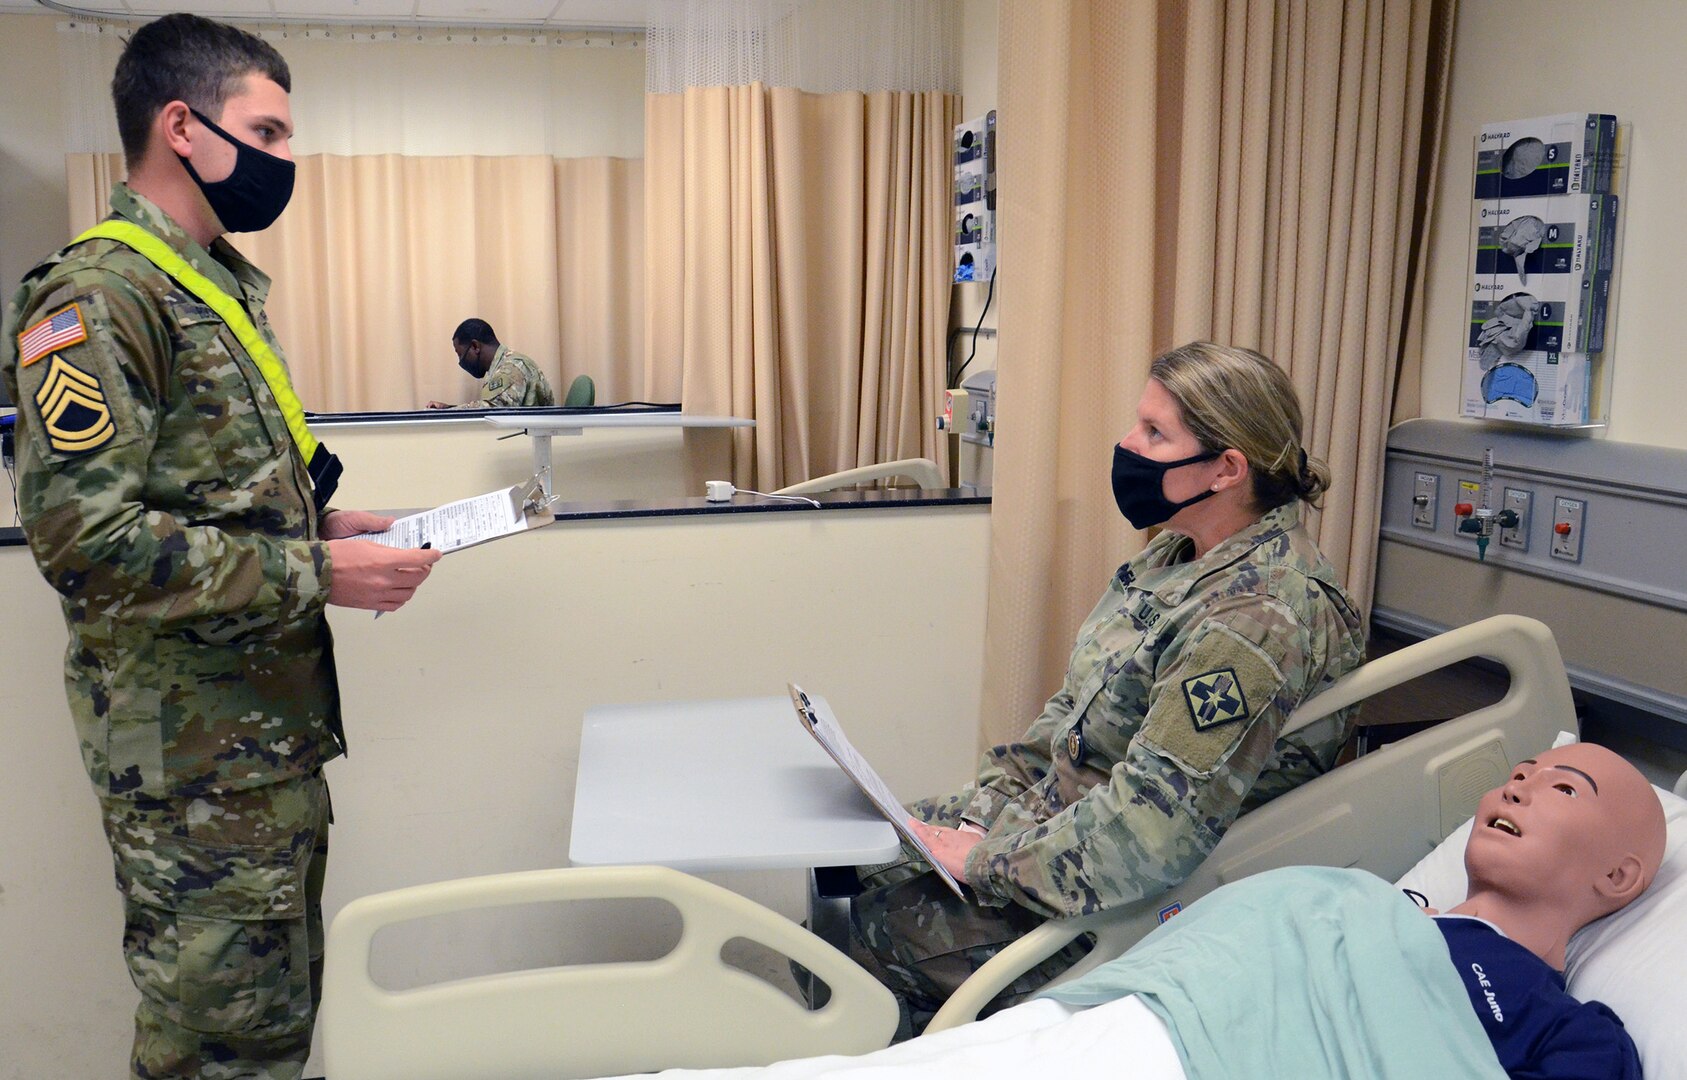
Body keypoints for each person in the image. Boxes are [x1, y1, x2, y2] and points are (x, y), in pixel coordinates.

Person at [1, 14, 441, 1079]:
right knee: (214, 1046)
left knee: (270, 1028)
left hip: (259, 743)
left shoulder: (209, 282)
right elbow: (85, 542)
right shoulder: (96, 299)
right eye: (270, 130)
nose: (287, 159)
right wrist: (317, 572)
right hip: (190, 771)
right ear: (182, 127)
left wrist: (322, 525)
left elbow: (202, 491)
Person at [842, 342, 1367, 1034]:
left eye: (1154, 433)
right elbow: (1070, 715)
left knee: (861, 940)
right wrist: (987, 811)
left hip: (1141, 897)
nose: (1126, 444)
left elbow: (1151, 832)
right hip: (1063, 825)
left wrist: (988, 859)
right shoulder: (1177, 554)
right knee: (857, 851)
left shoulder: (1255, 618)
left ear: (1227, 469)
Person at [426, 317, 555, 408]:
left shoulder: (511, 369)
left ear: (475, 346)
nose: (461, 361)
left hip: (528, 443)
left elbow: (492, 411)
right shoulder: (502, 366)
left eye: (460, 354)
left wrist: (448, 413)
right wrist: (448, 408)